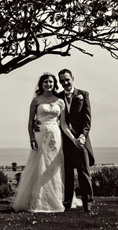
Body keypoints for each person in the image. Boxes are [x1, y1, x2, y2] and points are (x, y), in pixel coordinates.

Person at [10, 73, 80, 213]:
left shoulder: (60, 101)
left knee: (54, 166)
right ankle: (37, 200)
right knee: (38, 166)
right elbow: (30, 121)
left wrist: (74, 139)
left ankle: (58, 199)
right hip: (40, 135)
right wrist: (31, 138)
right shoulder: (36, 101)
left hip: (55, 137)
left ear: (55, 84)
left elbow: (64, 124)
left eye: (51, 82)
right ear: (41, 84)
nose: (49, 84)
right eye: (46, 82)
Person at [57, 68, 95, 212]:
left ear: (73, 78)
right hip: (64, 141)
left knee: (83, 172)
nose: (65, 83)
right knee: (67, 173)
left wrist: (83, 136)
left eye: (67, 79)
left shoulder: (83, 95)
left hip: (81, 141)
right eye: (62, 81)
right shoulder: (58, 97)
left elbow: (87, 120)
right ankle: (67, 202)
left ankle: (88, 203)